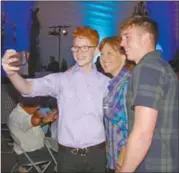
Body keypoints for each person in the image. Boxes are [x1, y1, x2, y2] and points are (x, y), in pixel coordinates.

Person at [2, 26, 110, 172]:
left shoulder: (106, 83)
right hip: (67, 156)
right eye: (75, 48)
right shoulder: (62, 80)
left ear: (96, 50)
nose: (79, 52)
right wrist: (11, 73)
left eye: (85, 47)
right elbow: (28, 88)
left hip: (97, 154)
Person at [118, 15, 179, 172]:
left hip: (151, 164)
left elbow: (143, 132)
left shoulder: (147, 68)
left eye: (127, 37)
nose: (122, 43)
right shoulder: (162, 66)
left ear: (145, 38)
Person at [99, 36, 133, 173]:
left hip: (123, 160)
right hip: (113, 157)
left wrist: (123, 158)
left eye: (109, 53)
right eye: (102, 54)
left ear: (124, 56)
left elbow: (131, 125)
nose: (103, 58)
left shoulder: (127, 84)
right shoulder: (113, 84)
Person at [8, 96, 57, 170]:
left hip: (29, 151)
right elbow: (35, 121)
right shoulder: (18, 116)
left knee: (54, 146)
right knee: (62, 155)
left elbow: (32, 124)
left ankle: (27, 168)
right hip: (31, 154)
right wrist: (44, 119)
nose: (38, 107)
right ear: (26, 105)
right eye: (36, 106)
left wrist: (45, 119)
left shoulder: (22, 111)